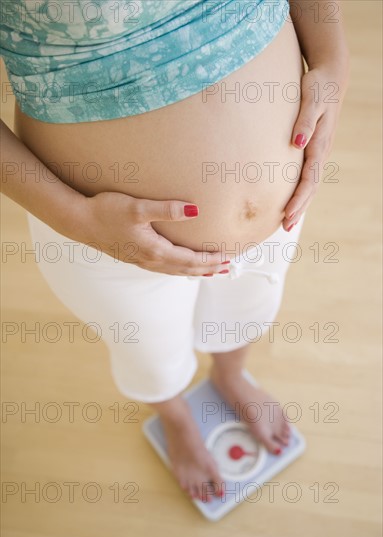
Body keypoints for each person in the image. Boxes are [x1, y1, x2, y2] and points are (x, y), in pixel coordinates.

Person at [0, 0, 349, 503]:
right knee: (149, 350)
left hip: (283, 201)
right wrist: (76, 218)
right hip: (98, 231)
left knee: (247, 308)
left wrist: (333, 62)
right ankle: (178, 420)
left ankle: (231, 377)